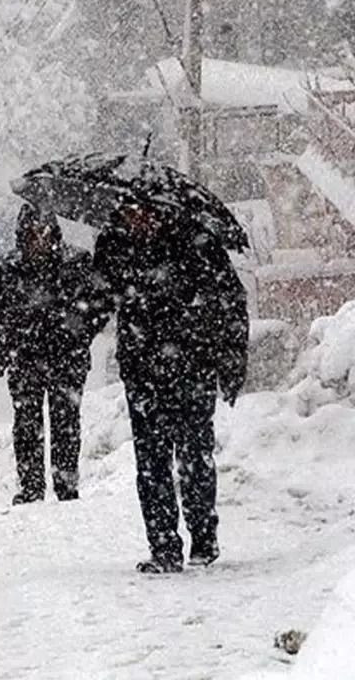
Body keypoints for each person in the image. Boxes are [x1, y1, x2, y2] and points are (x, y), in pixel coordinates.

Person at [94, 202, 248, 574]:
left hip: (191, 367)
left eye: (143, 212)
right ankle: (163, 545)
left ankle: (203, 537)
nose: (138, 219)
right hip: (143, 371)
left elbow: (230, 301)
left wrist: (231, 361)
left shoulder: (196, 242)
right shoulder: (115, 245)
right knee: (151, 462)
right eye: (130, 212)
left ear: (162, 210)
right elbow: (98, 300)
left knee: (194, 454)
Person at [0, 205, 111, 505]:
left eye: (43, 231)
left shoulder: (78, 263)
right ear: (22, 235)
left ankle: (66, 484)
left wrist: (80, 332)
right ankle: (31, 486)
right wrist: (4, 346)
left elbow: (100, 304)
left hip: (67, 357)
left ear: (53, 232)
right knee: (27, 423)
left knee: (66, 422)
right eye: (31, 233)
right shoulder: (6, 269)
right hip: (25, 357)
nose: (38, 239)